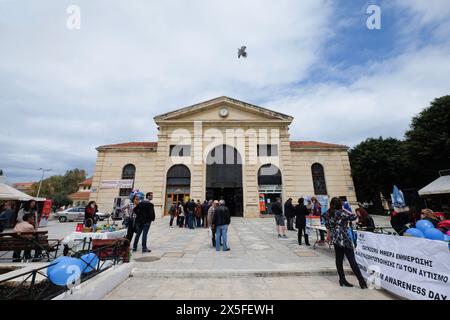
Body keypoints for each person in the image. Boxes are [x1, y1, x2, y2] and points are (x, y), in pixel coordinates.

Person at [325, 197, 367, 289]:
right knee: (352, 260)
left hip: (336, 239)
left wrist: (328, 236)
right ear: (340, 205)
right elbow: (354, 217)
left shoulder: (328, 214)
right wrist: (344, 209)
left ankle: (342, 279)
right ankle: (361, 281)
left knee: (339, 260)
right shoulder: (342, 213)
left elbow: (327, 226)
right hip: (344, 238)